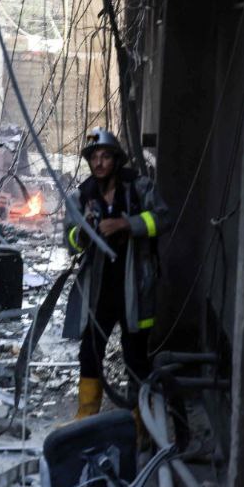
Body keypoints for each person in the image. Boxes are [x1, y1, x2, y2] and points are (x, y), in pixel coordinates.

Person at [63, 129, 171, 418]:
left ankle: (142, 426)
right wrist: (82, 234)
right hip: (100, 291)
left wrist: (127, 224)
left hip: (135, 287)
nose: (98, 163)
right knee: (89, 353)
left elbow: (163, 218)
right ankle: (86, 419)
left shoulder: (138, 188)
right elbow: (70, 241)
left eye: (105, 157)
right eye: (94, 158)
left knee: (136, 358)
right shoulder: (82, 196)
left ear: (116, 159)